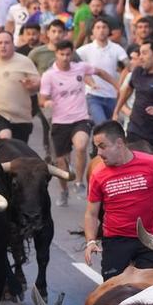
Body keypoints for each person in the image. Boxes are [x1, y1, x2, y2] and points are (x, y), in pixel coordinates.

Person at [83, 120, 153, 279]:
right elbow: (91, 214)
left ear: (119, 143)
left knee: (150, 289)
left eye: (102, 146)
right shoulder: (97, 174)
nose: (99, 153)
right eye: (97, 147)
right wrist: (90, 241)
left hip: (148, 239)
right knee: (114, 292)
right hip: (116, 241)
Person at [40, 39, 120, 204]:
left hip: (80, 118)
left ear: (72, 54)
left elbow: (100, 72)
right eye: (62, 54)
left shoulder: (80, 67)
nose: (65, 58)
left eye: (68, 54)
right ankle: (64, 191)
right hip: (60, 122)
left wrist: (117, 86)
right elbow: (42, 98)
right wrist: (47, 103)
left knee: (81, 145)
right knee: (61, 162)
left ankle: (79, 182)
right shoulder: (49, 75)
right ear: (56, 54)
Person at [0, 31, 41, 141]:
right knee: (5, 137)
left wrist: (31, 86)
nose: (3, 46)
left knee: (19, 148)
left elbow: (38, 84)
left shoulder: (25, 61)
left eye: (7, 43)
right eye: (0, 43)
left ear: (13, 44)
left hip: (21, 116)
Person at [77, 18, 130, 125]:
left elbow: (128, 65)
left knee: (110, 127)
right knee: (102, 124)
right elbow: (73, 62)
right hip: (93, 95)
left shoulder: (116, 48)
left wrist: (121, 85)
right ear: (92, 31)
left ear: (109, 30)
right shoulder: (85, 49)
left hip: (112, 96)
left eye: (104, 27)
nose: (101, 30)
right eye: (98, 27)